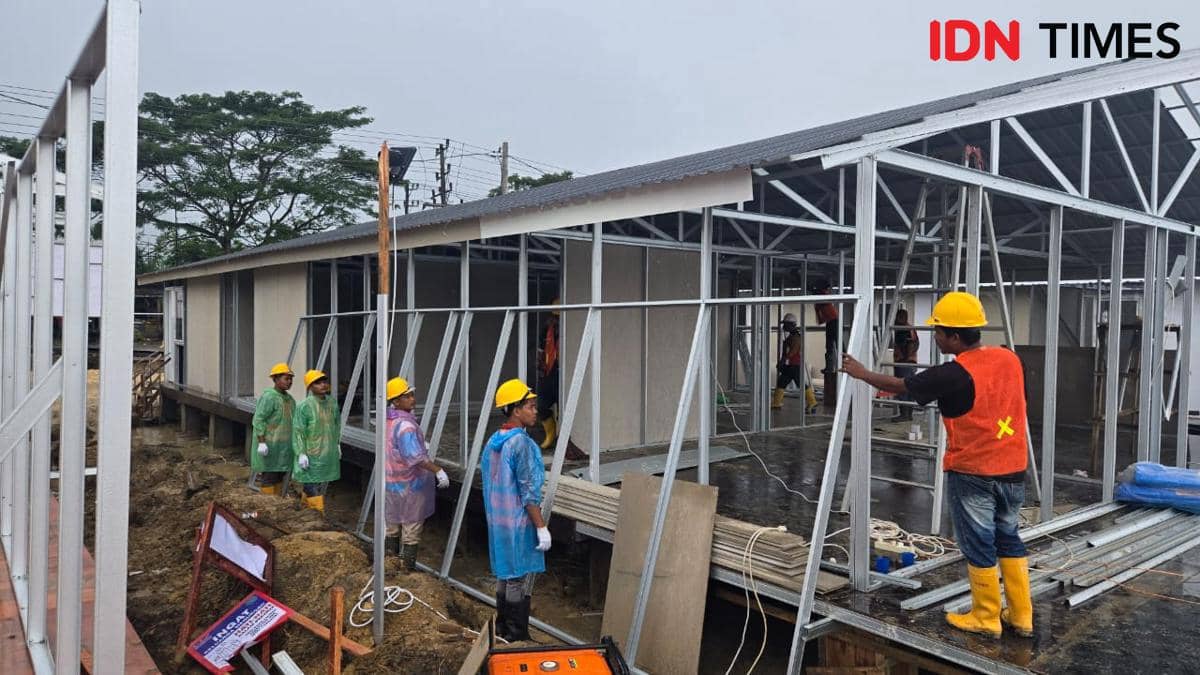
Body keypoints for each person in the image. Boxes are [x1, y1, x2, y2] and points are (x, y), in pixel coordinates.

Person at [840, 292, 1032, 639]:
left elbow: (901, 385)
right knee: (1008, 537)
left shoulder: (953, 374)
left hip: (974, 471)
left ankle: (986, 617)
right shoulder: (1009, 359)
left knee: (979, 543)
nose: (935, 336)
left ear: (955, 336)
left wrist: (860, 372)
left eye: (939, 331)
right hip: (1013, 469)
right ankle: (1021, 616)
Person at [482, 378, 552, 642]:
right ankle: (516, 633)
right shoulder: (520, 444)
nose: (535, 411)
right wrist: (541, 526)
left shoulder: (495, 440)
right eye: (530, 406)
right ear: (515, 409)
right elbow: (528, 490)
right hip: (519, 520)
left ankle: (502, 627)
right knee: (516, 578)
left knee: (505, 571)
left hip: (499, 519)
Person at [384, 376, 450, 571]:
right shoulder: (406, 425)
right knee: (411, 528)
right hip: (409, 484)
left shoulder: (389, 420)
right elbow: (415, 458)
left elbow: (395, 448)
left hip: (392, 482)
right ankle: (406, 570)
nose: (412, 399)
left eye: (412, 395)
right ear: (396, 401)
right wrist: (438, 470)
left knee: (393, 525)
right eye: (407, 396)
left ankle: (390, 566)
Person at [535, 299, 586, 460]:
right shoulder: (547, 329)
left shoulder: (571, 329)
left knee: (564, 409)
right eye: (555, 316)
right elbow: (540, 350)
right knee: (541, 405)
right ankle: (550, 435)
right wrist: (540, 365)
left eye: (558, 317)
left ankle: (562, 440)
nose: (556, 320)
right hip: (549, 373)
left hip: (565, 374)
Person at [292, 369, 342, 513]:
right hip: (310, 453)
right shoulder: (305, 406)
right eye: (318, 383)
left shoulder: (332, 403)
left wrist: (337, 444)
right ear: (310, 387)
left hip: (326, 453)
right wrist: (301, 453)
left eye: (324, 381)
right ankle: (318, 516)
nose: (323, 385)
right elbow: (298, 431)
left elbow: (336, 425)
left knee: (315, 483)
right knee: (312, 484)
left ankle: (304, 508)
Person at [251, 363, 296, 496]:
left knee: (279, 475)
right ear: (275, 379)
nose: (289, 382)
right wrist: (262, 442)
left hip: (283, 447)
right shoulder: (269, 397)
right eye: (286, 378)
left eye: (291, 379)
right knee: (269, 476)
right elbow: (259, 419)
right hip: (270, 445)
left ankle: (278, 505)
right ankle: (267, 506)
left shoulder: (289, 400)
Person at [772, 313, 817, 413]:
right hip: (790, 365)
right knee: (781, 382)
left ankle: (812, 402)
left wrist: (783, 360)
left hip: (794, 365)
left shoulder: (796, 337)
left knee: (800, 384)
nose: (784, 326)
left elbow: (794, 350)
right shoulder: (791, 336)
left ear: (792, 325)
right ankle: (776, 403)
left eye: (786, 324)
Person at [813, 280, 840, 410]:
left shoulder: (821, 296)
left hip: (833, 321)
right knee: (831, 345)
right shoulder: (820, 298)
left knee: (833, 345)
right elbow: (820, 319)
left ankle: (837, 365)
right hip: (832, 321)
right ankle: (830, 367)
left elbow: (820, 319)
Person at [891, 308, 920, 421]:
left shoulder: (903, 329)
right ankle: (908, 414)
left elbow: (910, 344)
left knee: (902, 387)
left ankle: (904, 414)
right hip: (911, 361)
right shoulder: (910, 328)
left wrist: (904, 357)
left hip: (904, 362)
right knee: (909, 388)